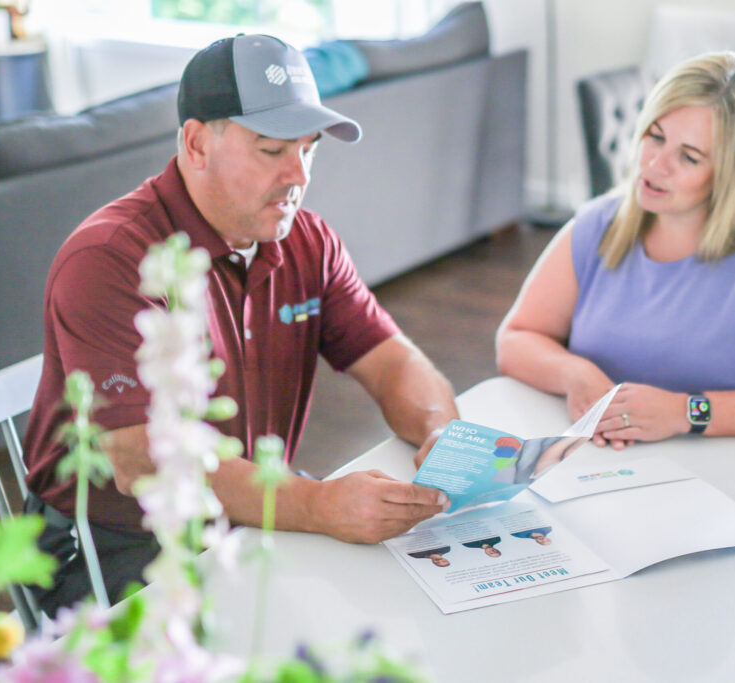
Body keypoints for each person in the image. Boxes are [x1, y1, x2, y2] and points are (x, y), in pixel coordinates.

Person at [22, 34, 458, 616]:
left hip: (245, 503)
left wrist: (444, 437)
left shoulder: (310, 239)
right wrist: (318, 505)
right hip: (114, 538)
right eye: (272, 150)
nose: (298, 176)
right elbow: (143, 463)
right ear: (197, 144)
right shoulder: (108, 258)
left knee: (379, 605)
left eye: (308, 149)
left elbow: (391, 359)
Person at [496, 52, 735, 447]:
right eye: (655, 136)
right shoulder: (599, 226)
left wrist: (685, 412)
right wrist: (572, 373)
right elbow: (516, 338)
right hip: (604, 468)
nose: (655, 164)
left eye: (688, 156)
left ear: (732, 175)